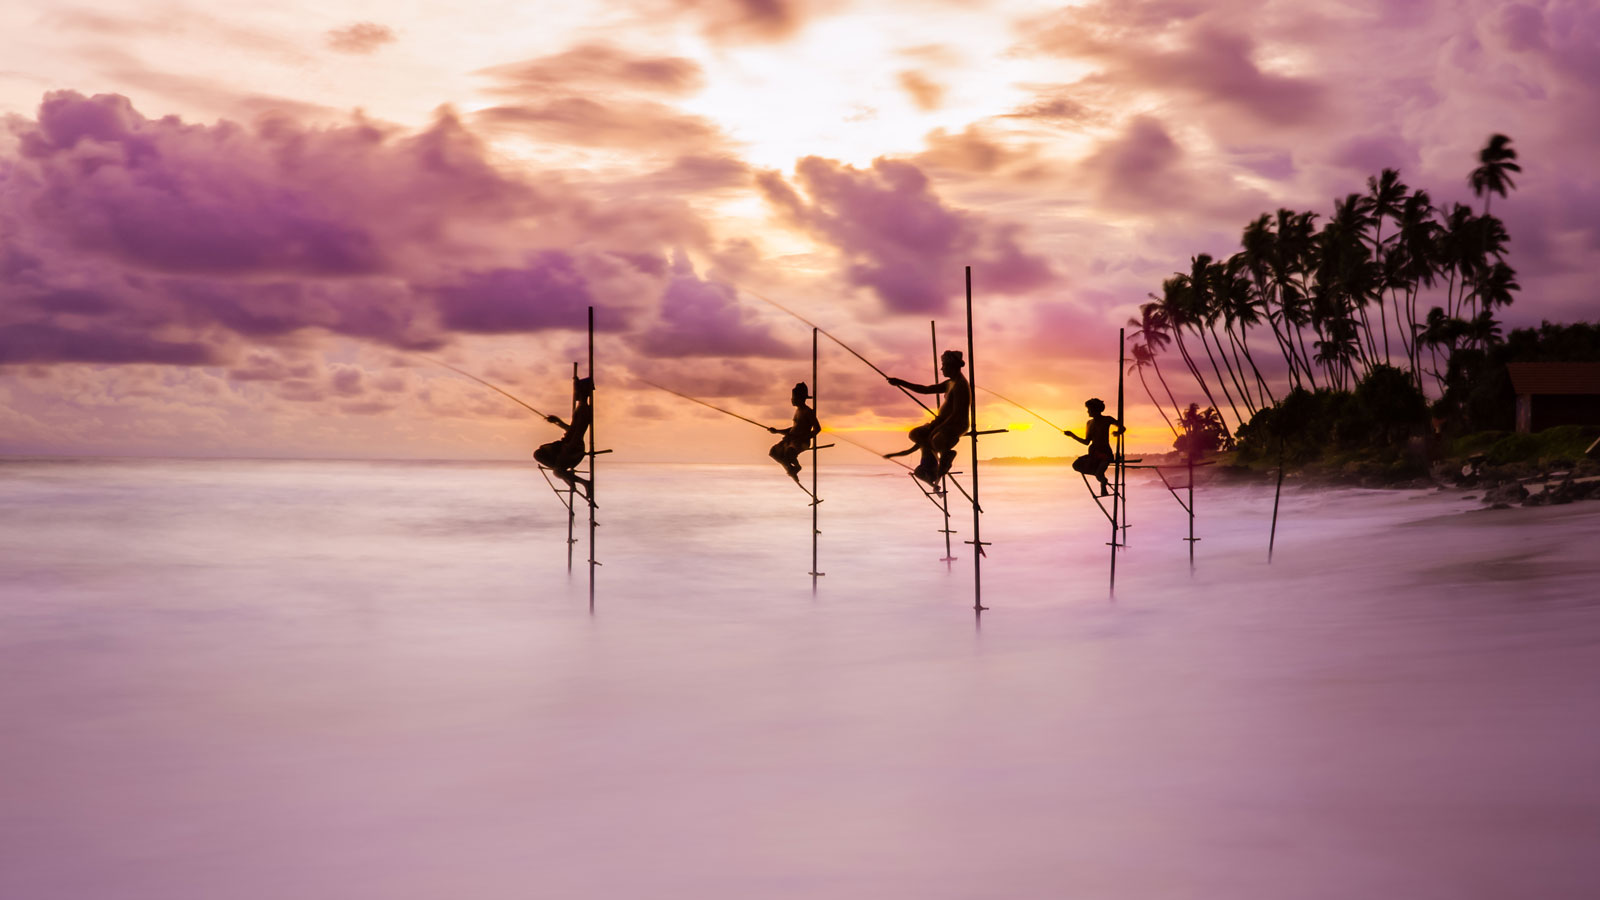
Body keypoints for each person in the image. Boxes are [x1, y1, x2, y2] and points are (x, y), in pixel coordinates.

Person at [885, 350, 971, 485]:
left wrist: (937, 429)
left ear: (952, 366)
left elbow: (956, 414)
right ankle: (930, 466)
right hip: (942, 422)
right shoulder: (950, 383)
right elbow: (926, 389)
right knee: (916, 434)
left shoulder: (961, 385)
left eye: (944, 365)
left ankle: (945, 457)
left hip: (957, 424)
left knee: (936, 440)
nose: (941, 368)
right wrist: (900, 382)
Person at [534, 376, 593, 500]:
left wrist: (567, 450)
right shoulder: (580, 407)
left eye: (576, 390)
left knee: (554, 468)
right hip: (568, 444)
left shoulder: (583, 409)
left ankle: (584, 483)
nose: (575, 393)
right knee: (541, 454)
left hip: (574, 447)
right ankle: (565, 475)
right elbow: (571, 429)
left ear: (582, 391)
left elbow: (577, 433)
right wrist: (558, 421)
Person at [1064, 397, 1123, 496]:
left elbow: (1122, 427)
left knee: (1099, 474)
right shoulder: (1089, 423)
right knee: (1076, 465)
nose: (1087, 411)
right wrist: (1072, 435)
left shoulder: (1107, 419)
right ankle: (1098, 474)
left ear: (1096, 409)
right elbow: (1086, 441)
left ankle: (1102, 482)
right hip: (1093, 454)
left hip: (1105, 453)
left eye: (1089, 409)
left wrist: (1117, 432)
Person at [767, 382, 821, 483]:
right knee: (774, 452)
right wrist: (777, 431)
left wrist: (804, 437)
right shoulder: (798, 411)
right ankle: (790, 469)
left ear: (801, 398)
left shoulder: (807, 412)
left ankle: (796, 467)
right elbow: (793, 429)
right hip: (791, 439)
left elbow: (817, 429)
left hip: (801, 442)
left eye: (794, 397)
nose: (792, 400)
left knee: (788, 453)